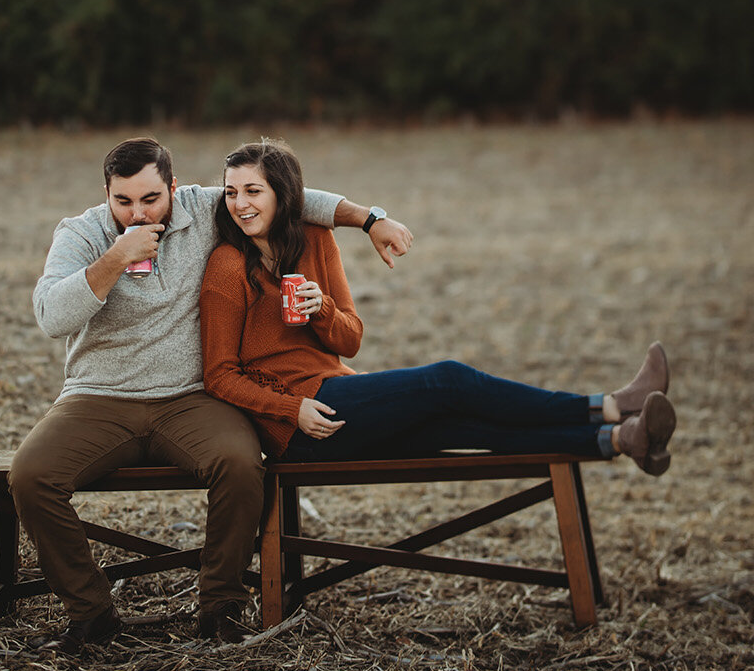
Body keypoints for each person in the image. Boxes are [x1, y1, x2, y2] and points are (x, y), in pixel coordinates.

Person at [8, 135, 414, 652]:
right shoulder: (82, 234)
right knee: (31, 476)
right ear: (105, 194)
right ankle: (92, 614)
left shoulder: (204, 208)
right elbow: (50, 317)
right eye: (123, 201)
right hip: (99, 398)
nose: (137, 212)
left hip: (190, 398)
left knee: (242, 465)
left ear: (174, 188)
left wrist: (371, 220)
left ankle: (219, 608)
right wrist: (114, 258)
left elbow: (290, 196)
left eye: (151, 199)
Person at [200, 139, 677, 477]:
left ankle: (619, 440)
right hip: (298, 427)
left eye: (253, 190)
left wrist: (322, 309)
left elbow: (351, 340)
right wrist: (291, 408)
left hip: (339, 392)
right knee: (447, 379)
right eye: (232, 192)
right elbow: (220, 375)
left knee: (460, 424)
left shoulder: (317, 240)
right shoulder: (226, 266)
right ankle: (611, 406)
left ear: (285, 195)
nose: (240, 204)